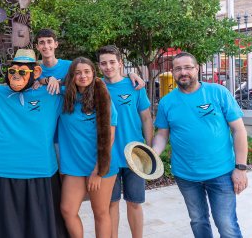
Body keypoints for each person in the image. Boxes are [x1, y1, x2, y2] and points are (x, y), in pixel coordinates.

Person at [152, 52, 248, 238]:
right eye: (178, 68)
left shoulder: (218, 92)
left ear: (197, 69)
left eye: (188, 67)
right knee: (198, 221)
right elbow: (162, 135)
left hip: (221, 173)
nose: (183, 72)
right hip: (186, 175)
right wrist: (152, 154)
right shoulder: (167, 102)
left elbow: (239, 130)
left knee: (226, 225)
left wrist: (241, 168)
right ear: (173, 72)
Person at [0, 49, 68, 238]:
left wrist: (51, 81)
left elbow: (84, 87)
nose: (16, 76)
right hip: (5, 169)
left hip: (40, 169)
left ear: (35, 72)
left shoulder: (51, 93)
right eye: (12, 71)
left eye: (22, 72)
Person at [96, 45, 153, 238]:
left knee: (134, 203)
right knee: (111, 204)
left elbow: (146, 118)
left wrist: (150, 150)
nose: (108, 66)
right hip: (108, 157)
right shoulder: (95, 88)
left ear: (121, 63)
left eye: (112, 62)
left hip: (134, 155)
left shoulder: (135, 86)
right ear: (99, 66)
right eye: (104, 63)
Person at [59, 57, 118, 238]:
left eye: (87, 72)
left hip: (100, 164)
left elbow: (109, 137)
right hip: (75, 165)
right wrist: (47, 80)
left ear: (93, 73)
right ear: (72, 76)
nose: (83, 76)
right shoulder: (63, 96)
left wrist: (97, 171)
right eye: (78, 73)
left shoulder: (102, 98)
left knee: (100, 212)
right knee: (67, 210)